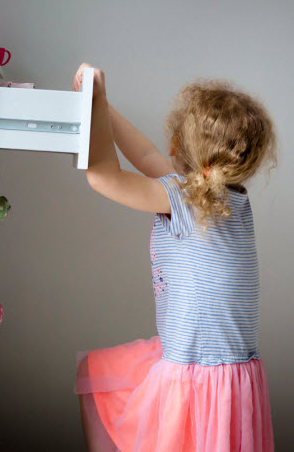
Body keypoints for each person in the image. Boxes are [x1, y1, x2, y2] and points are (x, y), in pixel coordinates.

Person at [72, 63, 277, 451]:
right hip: (231, 380)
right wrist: (100, 102)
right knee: (101, 371)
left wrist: (95, 104)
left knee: (96, 375)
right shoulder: (231, 200)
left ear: (178, 150)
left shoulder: (184, 200)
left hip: (195, 378)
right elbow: (146, 155)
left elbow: (102, 176)